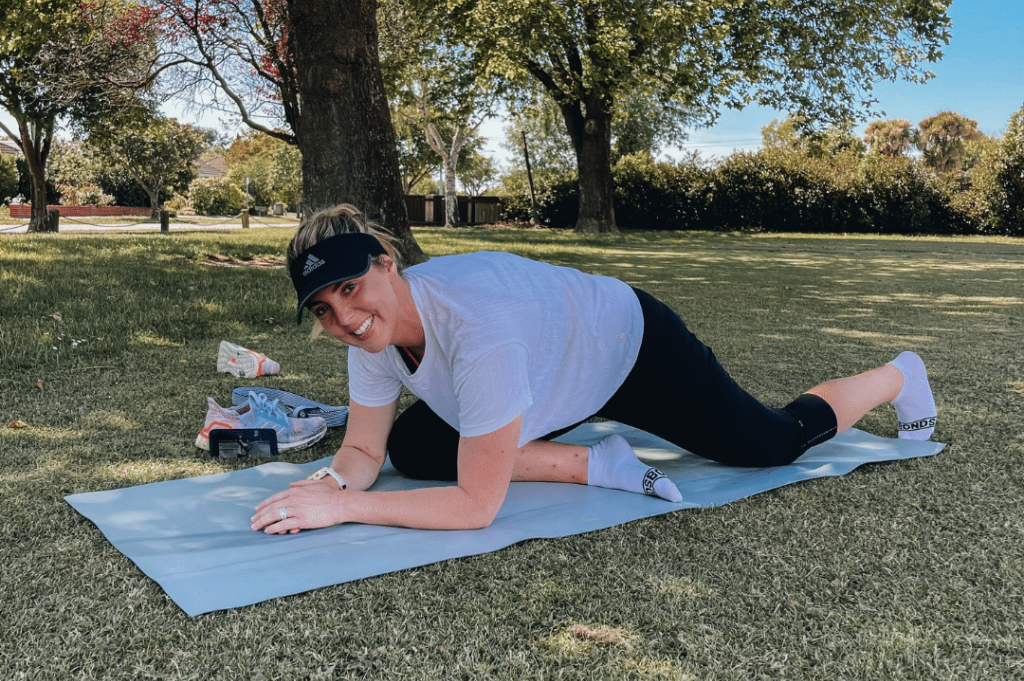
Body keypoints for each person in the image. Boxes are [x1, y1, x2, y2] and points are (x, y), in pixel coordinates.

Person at [252, 204, 937, 535]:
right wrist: (329, 481)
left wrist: (341, 510)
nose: (342, 317)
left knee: (772, 443)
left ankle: (899, 375)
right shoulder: (368, 339)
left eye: (349, 289)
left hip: (625, 347)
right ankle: (597, 464)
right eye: (322, 307)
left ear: (385, 264)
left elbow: (475, 508)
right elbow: (366, 448)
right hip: (550, 364)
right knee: (415, 446)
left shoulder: (479, 328)